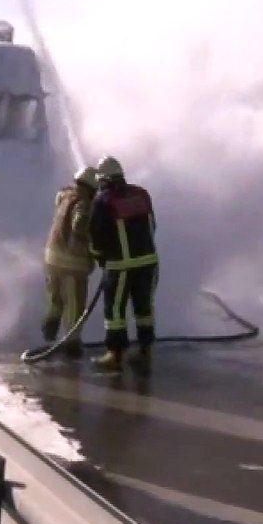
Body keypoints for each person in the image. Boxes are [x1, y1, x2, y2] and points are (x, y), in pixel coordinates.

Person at [87, 155, 158, 372]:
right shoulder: (142, 194)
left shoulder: (103, 201)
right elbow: (152, 225)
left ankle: (115, 355)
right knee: (144, 308)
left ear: (104, 179)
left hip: (121, 266)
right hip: (149, 263)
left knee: (115, 312)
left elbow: (96, 235)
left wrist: (100, 258)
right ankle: (145, 351)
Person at [41, 165, 99, 358]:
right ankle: (72, 345)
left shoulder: (64, 196)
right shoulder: (85, 204)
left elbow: (60, 193)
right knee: (75, 304)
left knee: (56, 299)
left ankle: (50, 325)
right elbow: (80, 224)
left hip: (52, 258)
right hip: (72, 264)